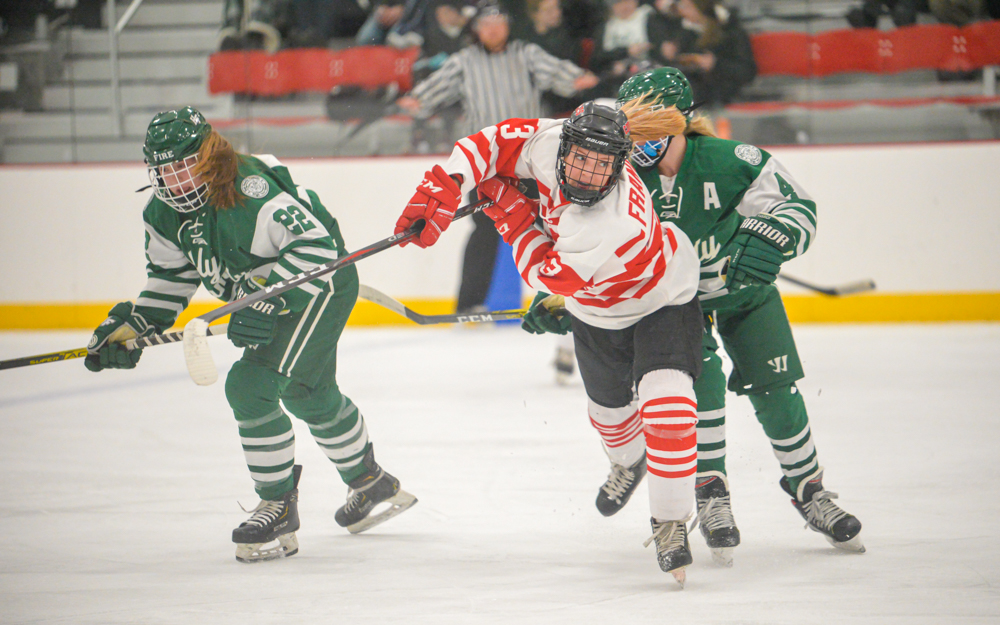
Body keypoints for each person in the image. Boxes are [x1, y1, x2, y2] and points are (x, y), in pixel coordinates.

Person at [84, 107, 417, 563]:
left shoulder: (250, 188)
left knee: (251, 385)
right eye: (163, 172)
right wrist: (138, 323)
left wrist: (263, 298)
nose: (174, 182)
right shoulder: (162, 213)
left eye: (182, 168)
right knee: (307, 392)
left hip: (317, 285)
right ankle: (370, 482)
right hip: (273, 294)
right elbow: (171, 276)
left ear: (206, 155)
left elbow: (316, 249)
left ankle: (278, 505)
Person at [393, 101, 705, 585]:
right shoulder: (547, 140)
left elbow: (549, 275)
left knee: (669, 409)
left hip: (661, 299)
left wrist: (508, 211)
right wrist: (445, 185)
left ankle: (670, 522)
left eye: (602, 164)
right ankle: (629, 462)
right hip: (596, 314)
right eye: (580, 157)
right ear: (564, 145)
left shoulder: (610, 220)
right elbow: (487, 142)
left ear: (620, 165)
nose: (586, 172)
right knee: (610, 418)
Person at [608, 67, 864, 563]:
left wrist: (774, 235)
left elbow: (798, 207)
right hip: (675, 304)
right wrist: (557, 295)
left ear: (679, 120)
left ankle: (809, 490)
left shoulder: (731, 160)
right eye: (631, 131)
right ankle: (711, 492)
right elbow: (584, 244)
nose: (637, 143)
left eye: (649, 130)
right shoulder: (621, 180)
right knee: (698, 389)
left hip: (745, 291)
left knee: (775, 388)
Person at [397, 0, 599, 315]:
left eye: (498, 22)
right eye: (486, 23)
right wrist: (417, 100)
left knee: (550, 224)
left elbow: (556, 72)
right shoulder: (464, 61)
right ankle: (468, 304)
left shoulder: (526, 53)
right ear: (477, 29)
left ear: (507, 25)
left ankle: (560, 298)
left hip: (533, 160)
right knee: (484, 234)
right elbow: (435, 89)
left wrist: (575, 77)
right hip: (487, 165)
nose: (493, 28)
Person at [650, 0, 756, 107]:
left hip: (723, 93)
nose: (681, 11)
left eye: (686, 6)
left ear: (701, 7)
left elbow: (747, 72)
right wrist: (667, 55)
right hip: (694, 91)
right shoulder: (683, 32)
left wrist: (716, 64)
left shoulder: (731, 32)